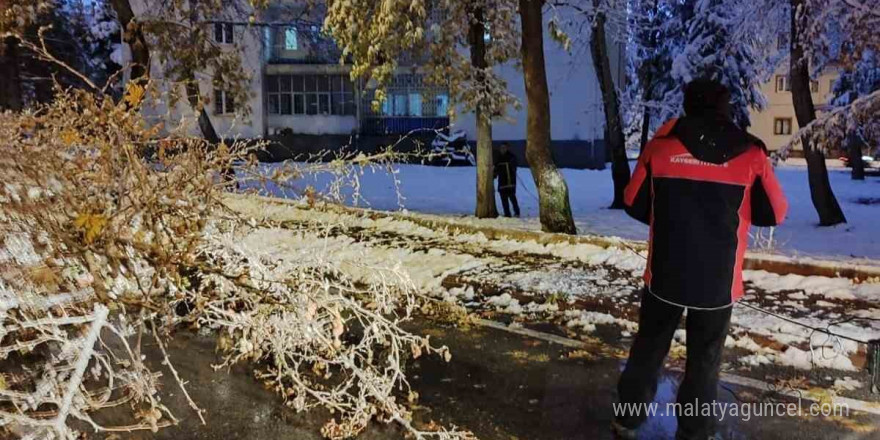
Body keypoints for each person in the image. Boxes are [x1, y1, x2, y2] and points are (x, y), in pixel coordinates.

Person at [613, 79, 788, 440]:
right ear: (725, 109)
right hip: (718, 285)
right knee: (705, 363)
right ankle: (694, 432)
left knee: (648, 350)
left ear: (688, 106)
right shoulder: (751, 153)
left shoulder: (661, 146)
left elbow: (633, 201)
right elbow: (776, 213)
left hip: (664, 277)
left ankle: (627, 420)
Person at [494, 142, 520, 217]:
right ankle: (507, 213)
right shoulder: (498, 158)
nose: (503, 149)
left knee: (512, 197)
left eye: (504, 148)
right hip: (502, 181)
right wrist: (494, 175)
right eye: (501, 148)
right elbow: (496, 168)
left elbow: (514, 167)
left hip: (510, 180)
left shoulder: (511, 157)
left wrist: (511, 167)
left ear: (507, 148)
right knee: (503, 198)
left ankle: (517, 211)